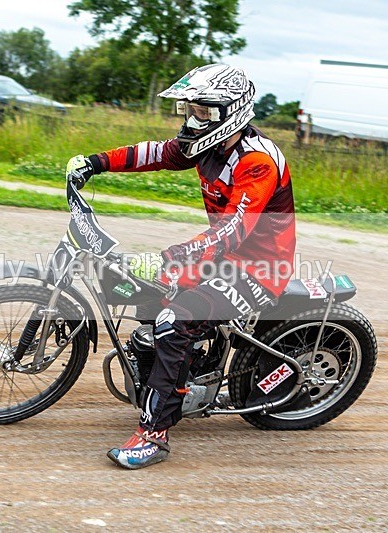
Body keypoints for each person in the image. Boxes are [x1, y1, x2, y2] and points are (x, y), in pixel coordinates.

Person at [66, 64, 296, 469]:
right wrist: (95, 163)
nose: (193, 120)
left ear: (232, 113)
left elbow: (231, 231)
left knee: (174, 320)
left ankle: (154, 435)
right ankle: (178, 373)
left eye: (203, 112)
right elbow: (157, 153)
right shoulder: (208, 144)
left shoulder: (256, 162)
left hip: (259, 269)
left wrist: (167, 257)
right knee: (145, 291)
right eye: (190, 110)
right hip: (224, 258)